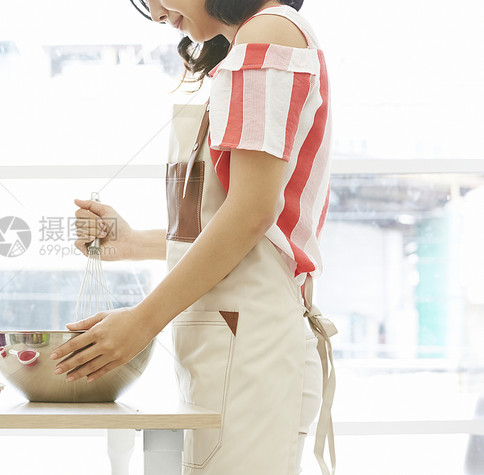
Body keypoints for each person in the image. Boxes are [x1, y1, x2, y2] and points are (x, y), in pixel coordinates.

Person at [50, 1, 337, 474]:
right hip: (233, 343)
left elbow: (251, 214)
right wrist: (136, 243)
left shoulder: (268, 35)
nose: (158, 13)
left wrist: (143, 321)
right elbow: (243, 228)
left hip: (253, 348)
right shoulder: (255, 41)